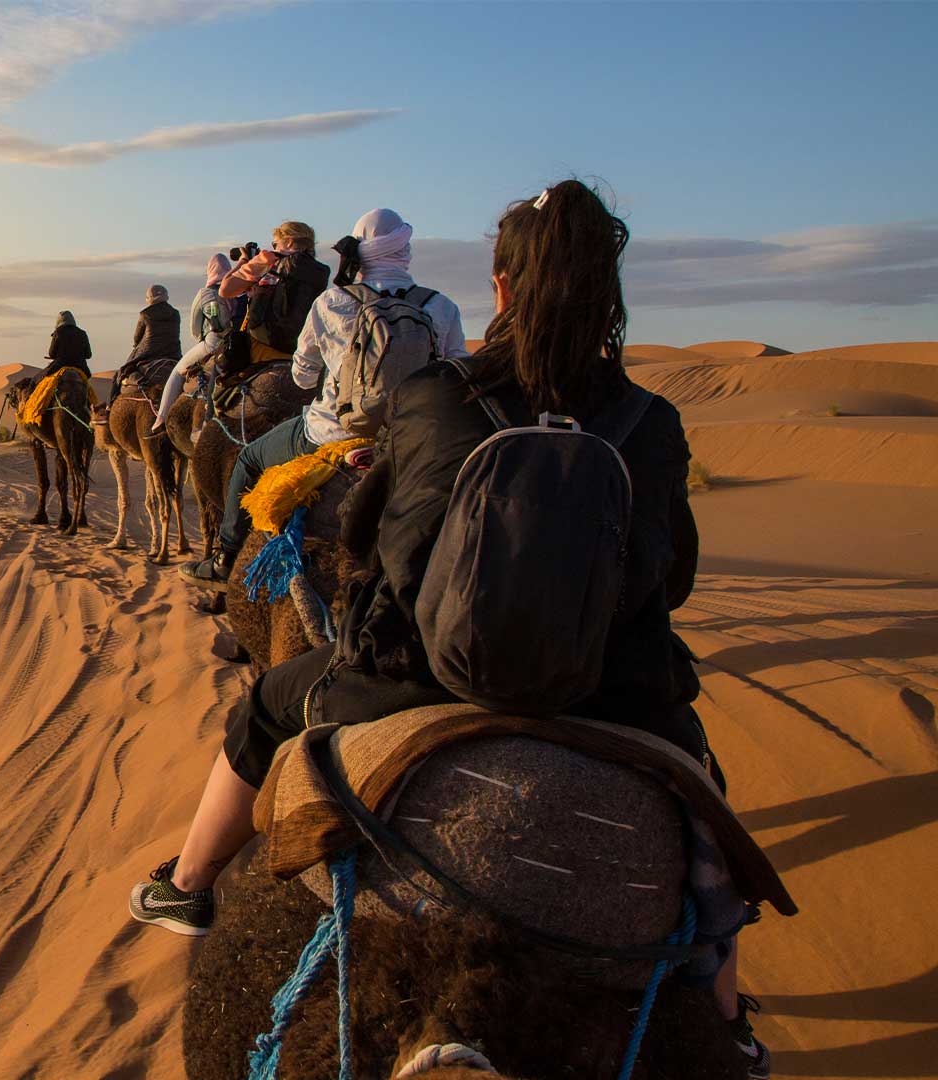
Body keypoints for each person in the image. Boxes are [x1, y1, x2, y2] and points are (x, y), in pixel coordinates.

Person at [131, 179, 768, 1077]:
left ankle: (187, 885)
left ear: (503, 286)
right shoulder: (650, 422)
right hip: (614, 688)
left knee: (269, 707)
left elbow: (373, 547)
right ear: (608, 292)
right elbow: (677, 577)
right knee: (706, 811)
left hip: (421, 674)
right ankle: (728, 1015)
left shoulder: (436, 398)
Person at [181, 208, 464, 584]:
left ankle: (225, 559)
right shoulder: (441, 307)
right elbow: (456, 374)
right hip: (410, 437)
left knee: (248, 458)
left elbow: (302, 375)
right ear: (405, 252)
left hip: (330, 431)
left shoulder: (334, 302)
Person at [151, 254, 240, 431]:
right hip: (237, 342)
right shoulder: (237, 290)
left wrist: (200, 341)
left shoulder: (205, 293)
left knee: (177, 371)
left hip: (213, 343)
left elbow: (195, 326)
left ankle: (161, 418)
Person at [220, 222, 328, 367]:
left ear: (289, 242)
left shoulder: (269, 259)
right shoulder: (317, 271)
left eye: (275, 243)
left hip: (262, 348)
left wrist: (244, 261)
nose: (274, 247)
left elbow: (225, 290)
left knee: (216, 374)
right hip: (300, 352)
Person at [118, 285, 182, 385]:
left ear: (149, 298)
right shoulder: (175, 314)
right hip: (173, 354)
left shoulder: (144, 314)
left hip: (148, 354)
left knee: (123, 372)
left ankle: (135, 382)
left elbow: (137, 338)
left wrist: (136, 347)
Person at [42, 311, 92, 378]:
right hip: (80, 366)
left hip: (60, 365)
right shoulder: (82, 333)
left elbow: (51, 354)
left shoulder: (58, 332)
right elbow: (88, 355)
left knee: (43, 377)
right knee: (87, 379)